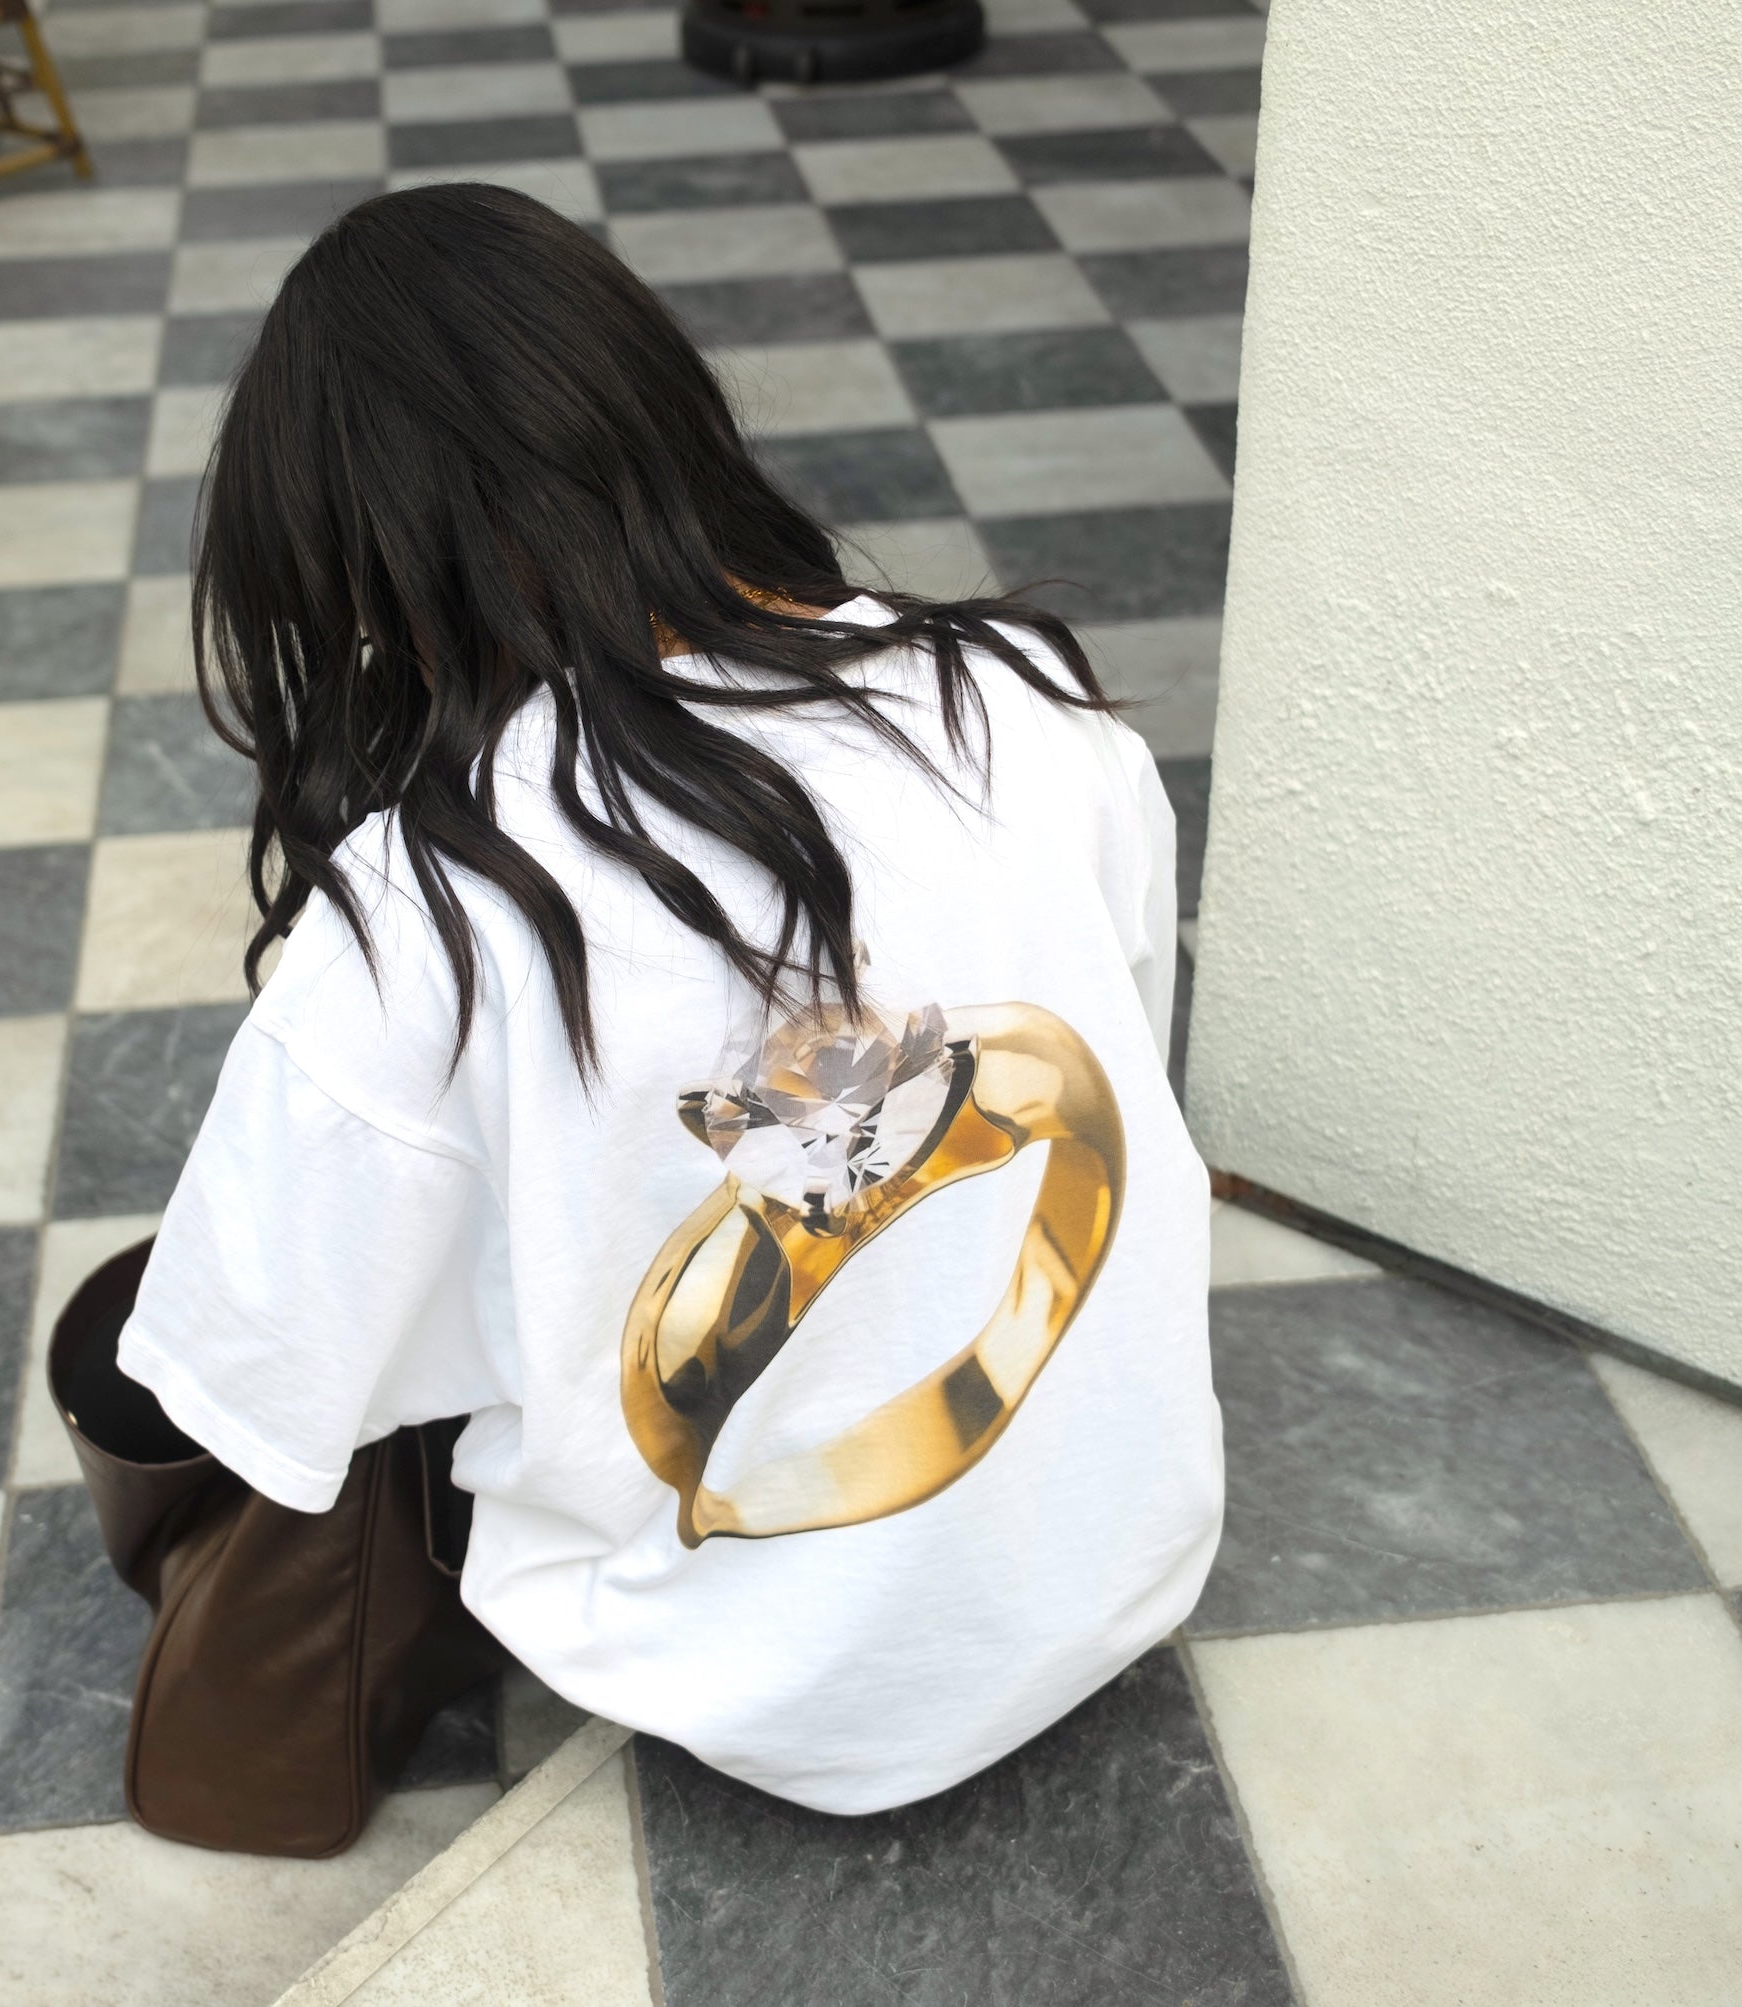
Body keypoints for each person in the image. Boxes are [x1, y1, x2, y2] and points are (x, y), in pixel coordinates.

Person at [116, 182, 1222, 1818]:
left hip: (744, 1683)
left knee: (450, 1225)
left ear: (354, 577)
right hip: (1122, 1567)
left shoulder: (429, 912)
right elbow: (1114, 1057)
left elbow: (258, 1380)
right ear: (663, 423)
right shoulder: (1025, 700)